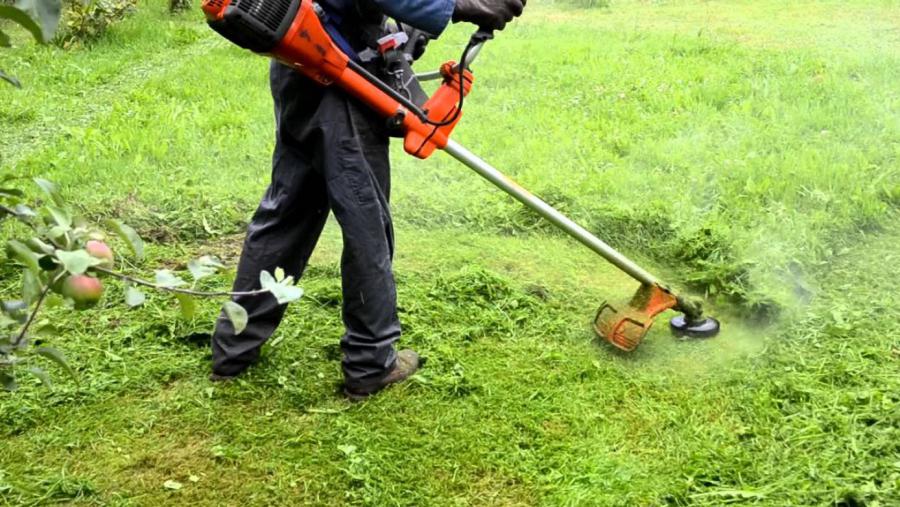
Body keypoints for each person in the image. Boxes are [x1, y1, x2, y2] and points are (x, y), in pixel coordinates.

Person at [209, 0, 525, 400]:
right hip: (337, 76)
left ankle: (234, 347)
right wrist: (461, 6)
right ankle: (370, 362)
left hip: (301, 63)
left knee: (288, 212)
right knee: (366, 225)